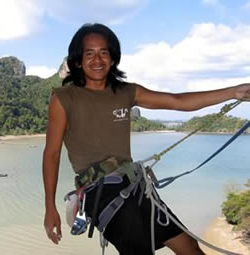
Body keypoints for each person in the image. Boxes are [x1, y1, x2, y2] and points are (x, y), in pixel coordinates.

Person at [42, 23, 250, 255]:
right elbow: (52, 154)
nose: (97, 59)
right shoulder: (64, 98)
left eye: (104, 52)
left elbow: (177, 101)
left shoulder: (126, 92)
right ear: (78, 60)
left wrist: (233, 92)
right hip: (101, 194)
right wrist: (50, 207)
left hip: (135, 186)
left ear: (113, 58)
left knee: (189, 247)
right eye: (89, 53)